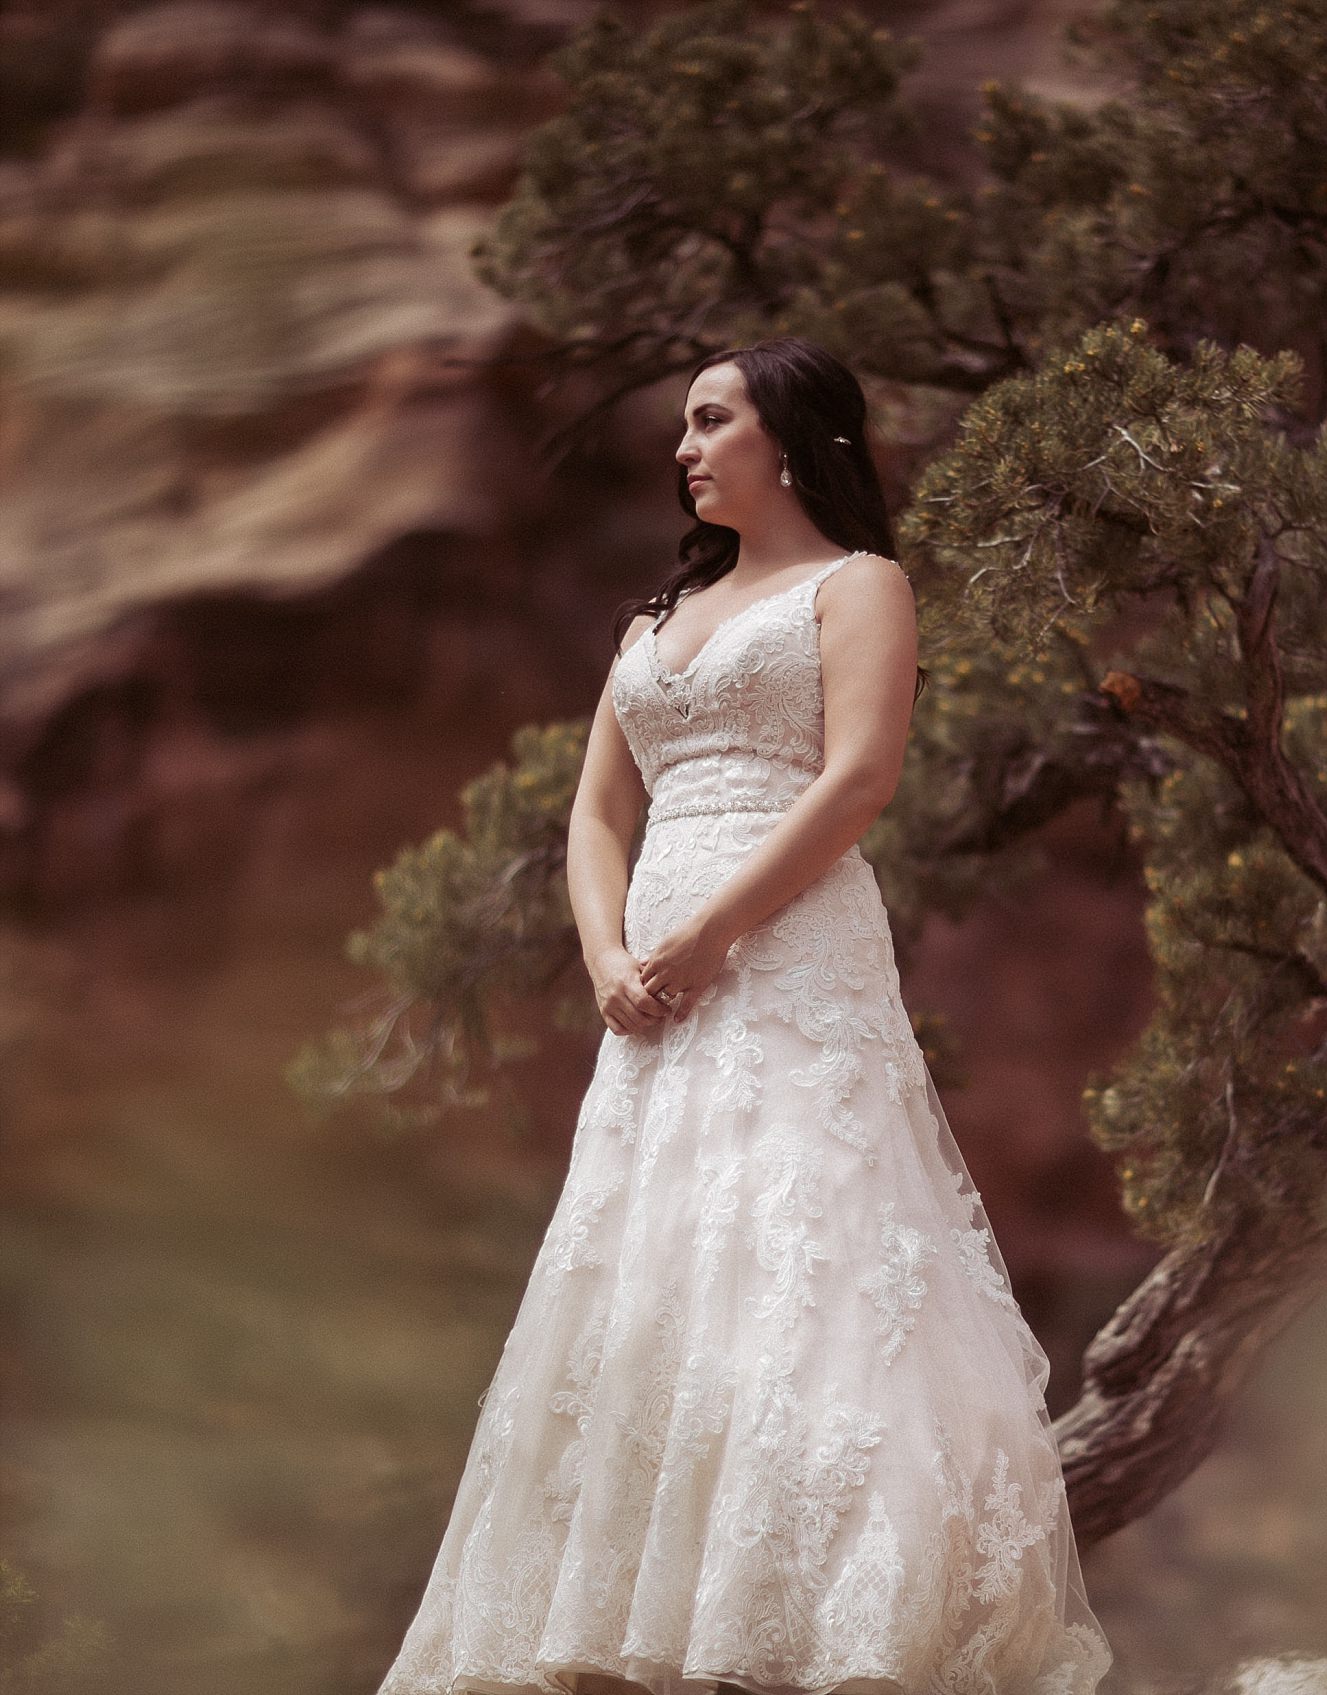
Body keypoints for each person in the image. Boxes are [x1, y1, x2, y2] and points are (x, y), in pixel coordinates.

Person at [375, 336, 1114, 1695]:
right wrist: (608, 953)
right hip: (649, 990)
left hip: (788, 954)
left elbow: (858, 780)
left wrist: (712, 935)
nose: (685, 448)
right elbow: (598, 811)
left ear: (790, 439)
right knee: (655, 1254)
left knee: (806, 1242)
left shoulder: (859, 585)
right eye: (683, 428)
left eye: (713, 421)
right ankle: (630, 1615)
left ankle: (829, 1617)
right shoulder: (651, 624)